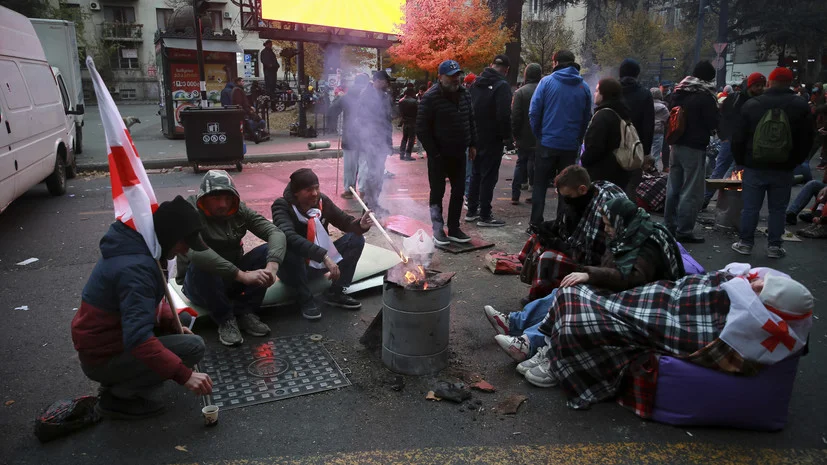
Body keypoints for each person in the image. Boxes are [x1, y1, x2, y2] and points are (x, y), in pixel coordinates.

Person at [534, 263, 812, 411]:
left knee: (580, 307)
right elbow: (691, 286)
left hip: (675, 317)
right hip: (666, 298)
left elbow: (701, 334)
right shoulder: (754, 289)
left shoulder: (750, 335)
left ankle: (551, 354)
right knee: (570, 293)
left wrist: (591, 274)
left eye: (757, 288)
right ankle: (540, 340)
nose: (752, 284)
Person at [488, 197, 686, 384]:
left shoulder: (647, 243)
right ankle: (516, 324)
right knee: (564, 291)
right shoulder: (627, 234)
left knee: (571, 297)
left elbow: (633, 279)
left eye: (609, 224)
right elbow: (612, 270)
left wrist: (591, 276)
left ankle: (531, 343)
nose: (606, 229)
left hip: (640, 302)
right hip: (621, 292)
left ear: (620, 222)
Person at [72, 197, 213, 419]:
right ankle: (118, 396)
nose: (186, 251)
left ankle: (122, 380)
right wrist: (184, 375)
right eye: (184, 243)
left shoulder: (141, 249)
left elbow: (149, 305)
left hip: (109, 340)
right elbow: (137, 338)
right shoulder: (136, 269)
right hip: (104, 356)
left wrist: (169, 322)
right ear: (169, 236)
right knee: (193, 347)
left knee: (181, 322)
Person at [180, 170, 286, 347]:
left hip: (230, 279)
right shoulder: (190, 211)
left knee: (268, 251)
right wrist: (242, 275)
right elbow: (196, 252)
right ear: (203, 198)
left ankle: (245, 311)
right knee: (203, 264)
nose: (222, 204)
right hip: (198, 283)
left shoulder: (238, 210)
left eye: (227, 199)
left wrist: (272, 267)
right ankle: (225, 319)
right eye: (215, 199)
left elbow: (275, 232)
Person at [732, 67, 814, 258]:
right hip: (784, 166)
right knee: (778, 209)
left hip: (754, 164)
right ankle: (774, 246)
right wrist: (796, 160)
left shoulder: (753, 104)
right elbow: (807, 138)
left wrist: (740, 161)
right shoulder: (800, 105)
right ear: (790, 82)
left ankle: (745, 243)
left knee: (750, 207)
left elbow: (738, 137)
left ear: (769, 82)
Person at [271, 168, 373, 319]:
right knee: (290, 248)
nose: (314, 193)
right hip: (293, 269)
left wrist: (361, 225)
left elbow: (344, 221)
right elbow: (289, 236)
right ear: (296, 193)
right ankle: (305, 300)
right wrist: (324, 256)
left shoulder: (321, 202)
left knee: (355, 239)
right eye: (308, 190)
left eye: (316, 188)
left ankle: (336, 292)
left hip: (318, 263)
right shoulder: (282, 206)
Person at [518, 165, 627, 302]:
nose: (566, 200)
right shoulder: (585, 197)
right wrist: (551, 228)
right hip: (582, 251)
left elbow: (589, 256)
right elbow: (570, 224)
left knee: (548, 257)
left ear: (582, 189)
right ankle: (540, 289)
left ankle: (543, 297)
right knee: (536, 239)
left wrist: (556, 243)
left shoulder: (602, 209)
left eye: (568, 196)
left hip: (601, 266)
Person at [528, 50, 592, 231]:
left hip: (547, 142)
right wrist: (578, 138)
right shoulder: (584, 87)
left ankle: (535, 223)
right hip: (570, 145)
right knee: (568, 186)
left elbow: (534, 112)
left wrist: (539, 134)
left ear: (555, 62)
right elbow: (586, 117)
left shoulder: (546, 82)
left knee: (540, 184)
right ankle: (562, 224)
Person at [417, 59, 477, 246]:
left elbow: (471, 119)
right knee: (438, 192)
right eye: (451, 76)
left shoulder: (465, 93)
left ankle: (454, 228)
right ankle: (437, 229)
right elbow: (422, 129)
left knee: (458, 191)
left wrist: (473, 144)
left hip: (459, 153)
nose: (455, 79)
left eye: (457, 75)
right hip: (439, 155)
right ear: (440, 77)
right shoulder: (430, 97)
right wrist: (434, 153)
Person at [663, 61, 720, 243]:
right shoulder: (705, 96)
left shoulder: (679, 91)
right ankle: (684, 230)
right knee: (690, 190)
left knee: (673, 187)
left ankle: (669, 226)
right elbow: (712, 123)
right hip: (694, 146)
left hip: (676, 143)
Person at [703, 73, 767, 208]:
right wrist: (724, 136)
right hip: (733, 140)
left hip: (744, 142)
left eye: (762, 85)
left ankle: (726, 204)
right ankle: (707, 199)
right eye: (757, 85)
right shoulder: (736, 98)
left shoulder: (750, 100)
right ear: (750, 85)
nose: (760, 88)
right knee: (723, 170)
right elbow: (722, 117)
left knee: (734, 172)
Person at [466, 54, 513, 227]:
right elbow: (504, 115)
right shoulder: (502, 86)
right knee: (489, 176)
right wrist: (507, 137)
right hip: (493, 138)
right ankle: (485, 215)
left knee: (476, 173)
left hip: (476, 137)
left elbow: (468, 111)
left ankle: (472, 210)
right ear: (506, 70)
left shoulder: (475, 84)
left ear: (491, 64)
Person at [580, 78, 632, 189]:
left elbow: (595, 147)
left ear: (605, 94)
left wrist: (584, 159)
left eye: (597, 91)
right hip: (619, 171)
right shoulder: (622, 112)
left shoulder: (602, 116)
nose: (594, 93)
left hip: (602, 173)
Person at [356, 70, 394, 215]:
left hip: (381, 139)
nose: (388, 84)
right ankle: (369, 206)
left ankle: (374, 203)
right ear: (378, 81)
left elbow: (387, 120)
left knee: (378, 173)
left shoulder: (384, 96)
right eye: (386, 81)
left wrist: (388, 142)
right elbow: (362, 119)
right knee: (374, 173)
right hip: (371, 139)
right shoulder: (366, 95)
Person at [618, 59, 655, 198]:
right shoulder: (645, 94)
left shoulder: (611, 90)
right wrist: (645, 152)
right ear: (637, 74)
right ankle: (628, 215)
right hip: (635, 148)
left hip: (612, 146)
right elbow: (648, 125)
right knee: (632, 186)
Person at [328, 73, 370, 198]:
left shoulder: (347, 96)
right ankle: (363, 189)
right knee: (364, 164)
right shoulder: (370, 96)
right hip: (366, 135)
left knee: (349, 166)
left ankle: (349, 189)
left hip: (350, 135)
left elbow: (332, 111)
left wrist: (337, 98)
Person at [511, 63, 542, 205]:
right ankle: (534, 193)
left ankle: (515, 195)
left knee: (520, 162)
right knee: (535, 162)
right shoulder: (544, 91)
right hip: (539, 135)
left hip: (523, 134)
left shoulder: (520, 93)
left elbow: (515, 116)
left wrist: (515, 135)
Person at [650, 87, 669, 171]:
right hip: (659, 131)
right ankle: (654, 170)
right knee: (656, 154)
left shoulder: (646, 106)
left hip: (647, 131)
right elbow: (668, 120)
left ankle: (645, 171)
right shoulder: (663, 107)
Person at [398, 88, 418, 161]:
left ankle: (401, 154)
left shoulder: (401, 101)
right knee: (411, 139)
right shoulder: (414, 101)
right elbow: (417, 111)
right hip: (412, 122)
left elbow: (400, 113)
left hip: (405, 122)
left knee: (404, 138)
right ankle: (408, 155)